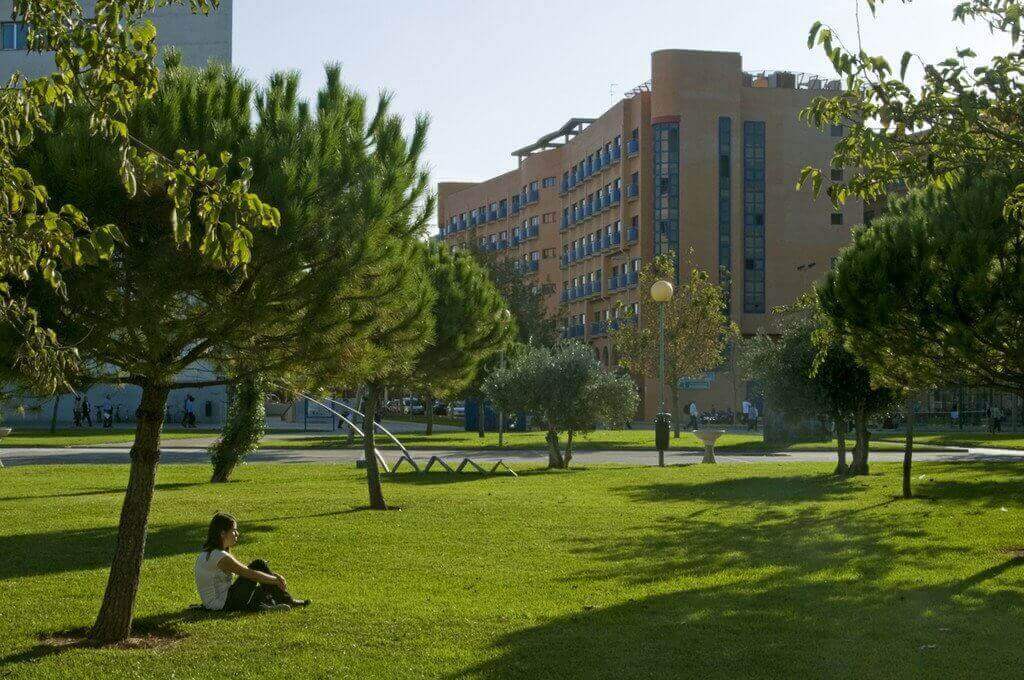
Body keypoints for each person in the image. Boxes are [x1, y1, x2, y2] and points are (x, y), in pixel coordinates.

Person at [194, 512, 310, 613]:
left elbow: (247, 573)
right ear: (223, 533)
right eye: (234, 531)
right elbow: (249, 573)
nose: (237, 534)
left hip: (223, 602)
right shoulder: (219, 556)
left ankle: (265, 605)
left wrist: (272, 577)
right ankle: (284, 601)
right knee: (258, 565)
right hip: (223, 605)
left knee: (262, 586)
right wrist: (275, 580)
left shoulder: (213, 553)